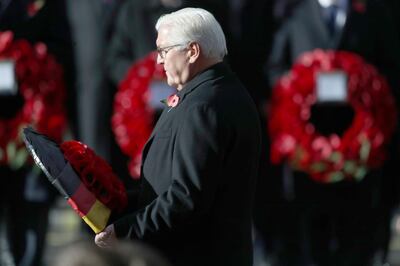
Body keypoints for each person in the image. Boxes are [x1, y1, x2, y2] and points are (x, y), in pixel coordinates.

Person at [95, 7, 261, 266]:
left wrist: (125, 231)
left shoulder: (204, 106)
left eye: (164, 51)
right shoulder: (211, 92)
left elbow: (186, 199)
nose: (158, 61)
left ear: (192, 51)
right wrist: (117, 203)